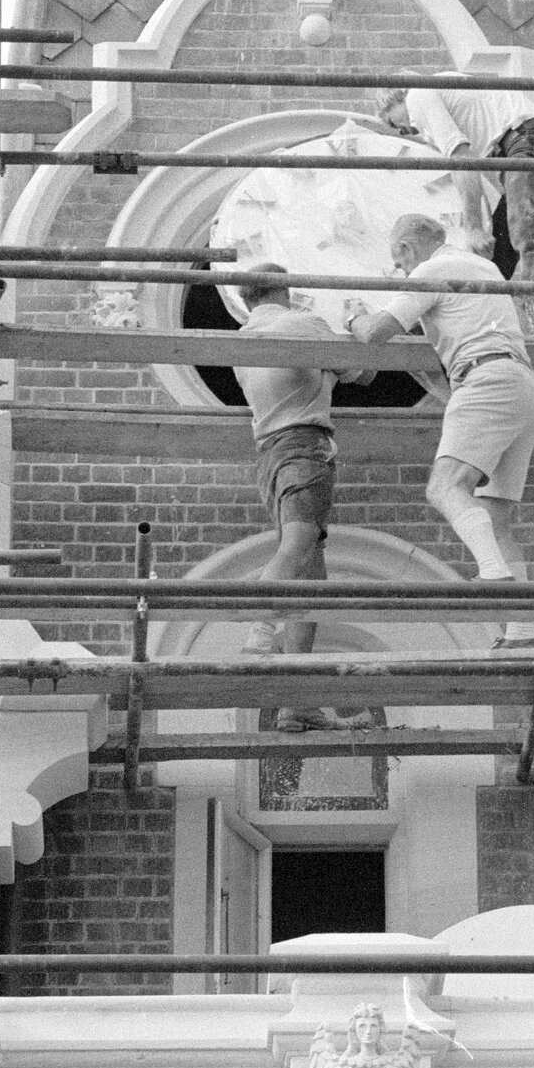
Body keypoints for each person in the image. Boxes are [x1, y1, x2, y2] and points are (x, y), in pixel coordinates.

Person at [345, 213, 534, 642]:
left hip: (486, 381)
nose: (400, 272)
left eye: (397, 263)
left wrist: (354, 316)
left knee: (444, 488)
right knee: (496, 521)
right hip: (524, 388)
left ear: (405, 248)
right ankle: (522, 632)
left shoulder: (430, 270)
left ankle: (493, 573)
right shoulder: (483, 267)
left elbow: (376, 333)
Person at [229, 265, 342, 724]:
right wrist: (354, 323)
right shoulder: (304, 323)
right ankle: (259, 634)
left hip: (269, 455)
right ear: (286, 290)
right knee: (297, 546)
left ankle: (298, 703)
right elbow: (366, 371)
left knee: (311, 583)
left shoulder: (240, 342)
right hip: (304, 446)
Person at [381, 79, 534, 337]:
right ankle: (469, 331)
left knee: (528, 234)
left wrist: (472, 227)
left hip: (526, 146)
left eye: (396, 124)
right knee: (495, 262)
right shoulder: (451, 98)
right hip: (529, 149)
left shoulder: (418, 94)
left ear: (397, 96)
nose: (408, 131)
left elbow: (461, 159)